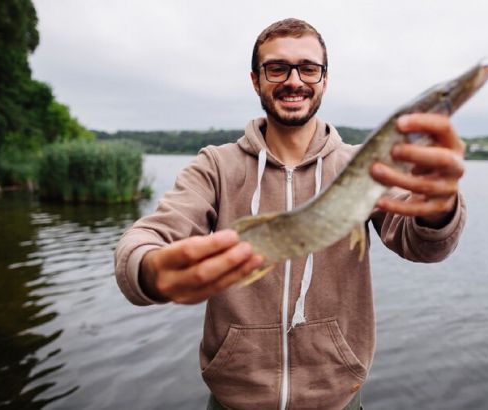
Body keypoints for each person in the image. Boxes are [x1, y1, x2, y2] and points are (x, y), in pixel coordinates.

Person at [115, 18, 466, 410]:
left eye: (308, 68)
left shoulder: (363, 167)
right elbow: (146, 239)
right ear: (255, 80)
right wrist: (151, 270)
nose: (294, 80)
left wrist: (440, 207)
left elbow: (423, 244)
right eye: (277, 68)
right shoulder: (215, 166)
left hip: (337, 401)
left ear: (325, 79)